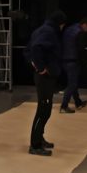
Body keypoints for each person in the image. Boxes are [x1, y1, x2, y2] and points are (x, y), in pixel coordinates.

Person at [24, 10, 67, 156]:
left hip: (46, 76)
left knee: (46, 110)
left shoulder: (42, 30)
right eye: (63, 25)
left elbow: (28, 51)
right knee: (43, 110)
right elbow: (35, 48)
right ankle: (35, 145)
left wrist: (35, 64)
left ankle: (39, 138)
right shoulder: (48, 32)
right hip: (44, 78)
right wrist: (41, 68)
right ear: (59, 23)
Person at [59, 16, 87, 113]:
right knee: (72, 84)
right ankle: (64, 106)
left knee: (72, 82)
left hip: (64, 60)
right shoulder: (80, 32)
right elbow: (81, 48)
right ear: (85, 25)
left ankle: (78, 103)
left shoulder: (70, 29)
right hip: (73, 61)